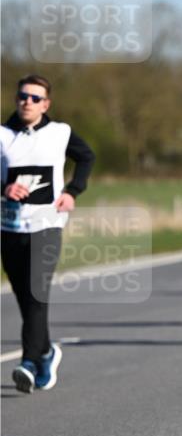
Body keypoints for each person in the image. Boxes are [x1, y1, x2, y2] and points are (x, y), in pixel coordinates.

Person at [1, 75, 95, 392]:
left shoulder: (60, 133)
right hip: (10, 227)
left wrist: (72, 191)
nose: (27, 102)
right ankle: (46, 352)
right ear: (16, 99)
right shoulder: (2, 136)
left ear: (46, 104)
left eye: (35, 98)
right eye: (23, 96)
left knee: (37, 294)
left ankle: (28, 363)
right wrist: (4, 187)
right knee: (25, 298)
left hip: (47, 225)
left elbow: (86, 157)